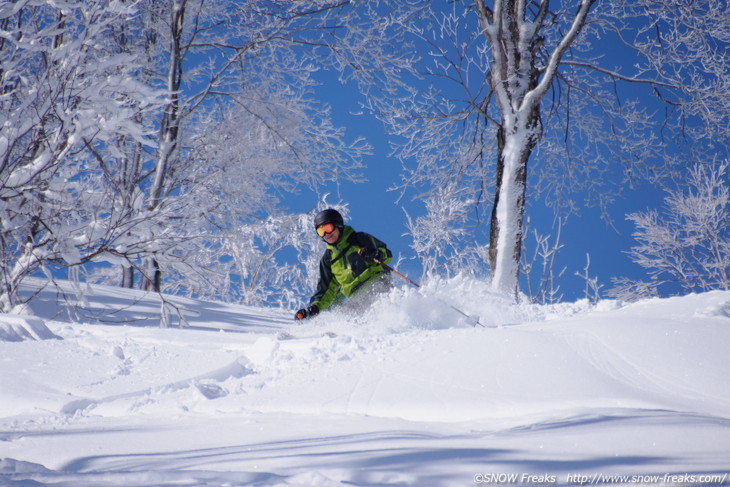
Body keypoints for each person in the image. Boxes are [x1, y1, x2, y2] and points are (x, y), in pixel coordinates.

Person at [295, 208, 393, 320]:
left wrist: (376, 253)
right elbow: (326, 290)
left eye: (328, 228)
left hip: (377, 283)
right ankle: (341, 336)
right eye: (321, 232)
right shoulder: (328, 260)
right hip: (357, 296)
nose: (326, 234)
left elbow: (387, 255)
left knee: (361, 308)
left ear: (338, 225)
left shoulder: (359, 239)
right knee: (344, 315)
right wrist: (313, 308)